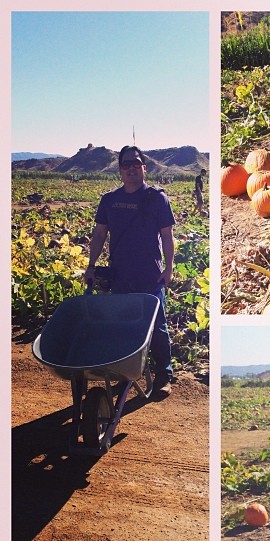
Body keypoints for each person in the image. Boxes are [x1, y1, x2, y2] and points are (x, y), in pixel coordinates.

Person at [84, 145, 176, 399]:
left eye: (136, 164)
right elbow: (99, 234)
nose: (132, 169)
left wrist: (169, 268)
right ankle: (126, 374)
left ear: (144, 168)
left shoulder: (157, 198)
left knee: (157, 328)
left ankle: (164, 375)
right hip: (120, 276)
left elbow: (167, 236)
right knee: (123, 328)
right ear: (120, 170)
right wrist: (91, 266)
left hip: (150, 275)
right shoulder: (109, 200)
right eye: (127, 165)